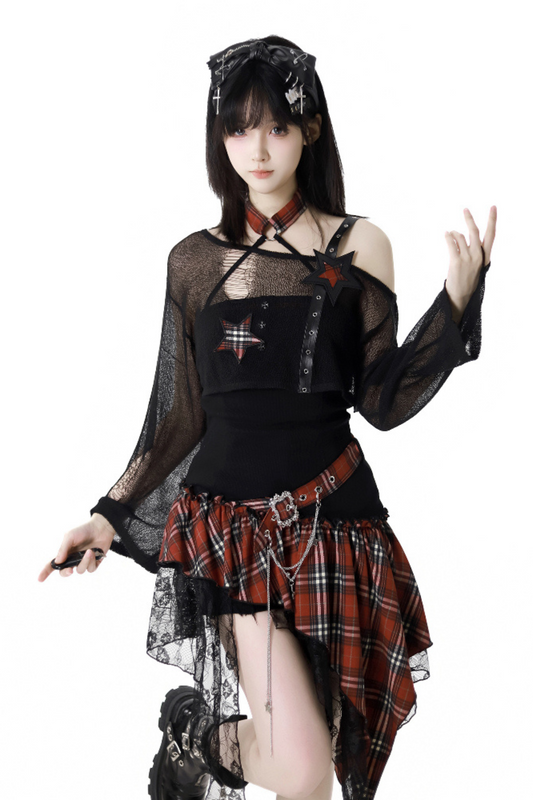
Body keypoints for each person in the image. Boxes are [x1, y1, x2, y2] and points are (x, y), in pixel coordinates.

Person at [38, 34, 497, 800]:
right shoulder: (195, 261)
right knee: (301, 766)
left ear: (309, 129)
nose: (257, 149)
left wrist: (454, 303)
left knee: (318, 774)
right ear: (217, 136)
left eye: (276, 127)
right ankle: (197, 735)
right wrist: (109, 514)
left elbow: (381, 401)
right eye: (238, 128)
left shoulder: (358, 244)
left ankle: (207, 744)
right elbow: (180, 414)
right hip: (233, 535)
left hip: (336, 529)